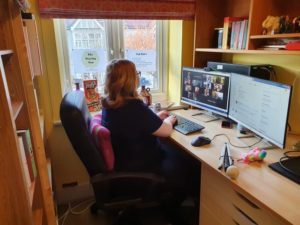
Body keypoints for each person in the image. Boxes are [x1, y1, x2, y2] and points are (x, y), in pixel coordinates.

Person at [101, 59, 200, 225]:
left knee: (178, 154)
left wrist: (157, 118)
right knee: (192, 164)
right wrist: (169, 119)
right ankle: (173, 206)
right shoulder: (134, 107)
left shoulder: (108, 103)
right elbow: (166, 131)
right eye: (136, 75)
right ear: (130, 80)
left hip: (126, 160)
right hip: (143, 164)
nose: (138, 78)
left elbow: (138, 123)